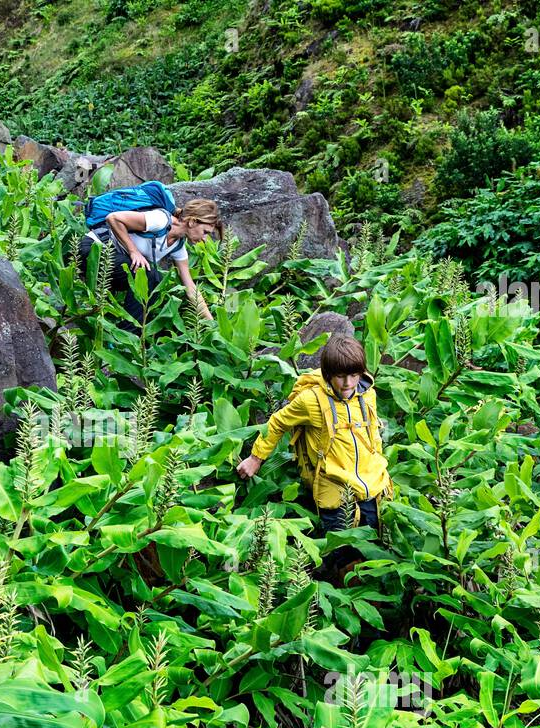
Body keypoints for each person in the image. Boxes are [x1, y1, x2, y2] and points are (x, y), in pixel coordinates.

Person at [236, 334, 391, 579]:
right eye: (341, 376)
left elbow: (373, 432)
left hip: (371, 484)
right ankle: (338, 595)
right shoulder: (311, 401)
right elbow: (277, 423)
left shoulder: (366, 394)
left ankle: (367, 594)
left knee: (371, 545)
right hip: (334, 487)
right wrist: (256, 458)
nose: (349, 383)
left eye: (354, 375)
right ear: (329, 374)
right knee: (340, 550)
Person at [76, 196, 221, 331]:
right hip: (93, 250)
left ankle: (127, 333)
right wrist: (134, 251)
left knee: (155, 280)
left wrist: (213, 325)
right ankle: (129, 336)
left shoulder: (178, 246)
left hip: (113, 266)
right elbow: (113, 218)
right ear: (192, 222)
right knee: (148, 275)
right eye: (205, 232)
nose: (205, 239)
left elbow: (191, 288)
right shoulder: (160, 220)